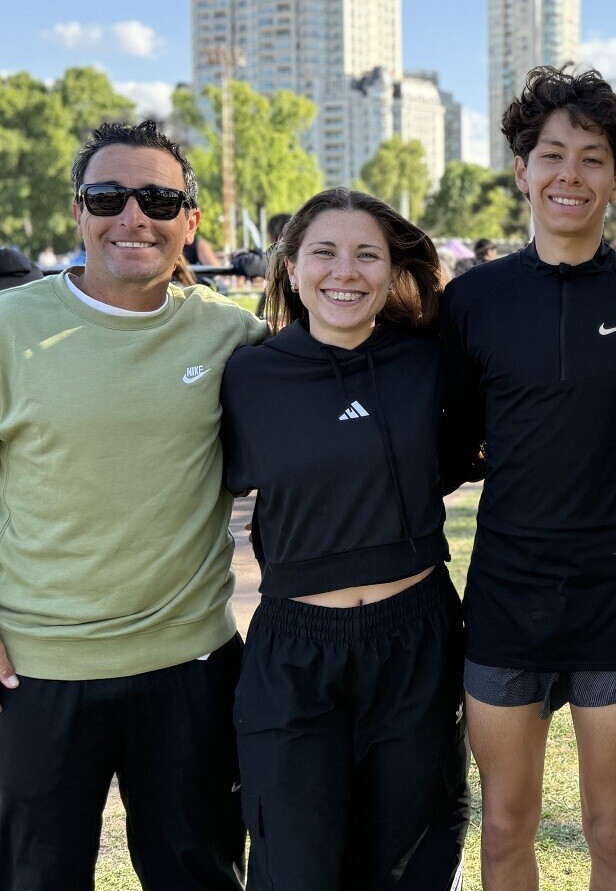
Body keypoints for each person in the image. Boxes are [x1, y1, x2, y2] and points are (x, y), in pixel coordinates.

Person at [440, 67, 616, 891]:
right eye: (552, 154)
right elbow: (443, 439)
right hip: (505, 594)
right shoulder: (474, 299)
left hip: (614, 593)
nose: (569, 175)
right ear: (521, 168)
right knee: (507, 822)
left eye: (592, 159)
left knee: (612, 828)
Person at [0, 120, 265, 889]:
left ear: (191, 218)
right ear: (78, 211)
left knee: (201, 875)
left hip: (191, 667)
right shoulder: (11, 328)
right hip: (37, 677)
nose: (132, 217)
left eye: (156, 197)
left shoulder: (233, 336)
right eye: (109, 196)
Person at [219, 188, 470, 890]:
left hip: (416, 639)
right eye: (324, 252)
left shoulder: (428, 362)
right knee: (294, 868)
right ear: (291, 269)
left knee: (409, 861)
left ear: (392, 272)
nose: (345, 271)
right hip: (296, 652)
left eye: (368, 255)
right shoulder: (248, 375)